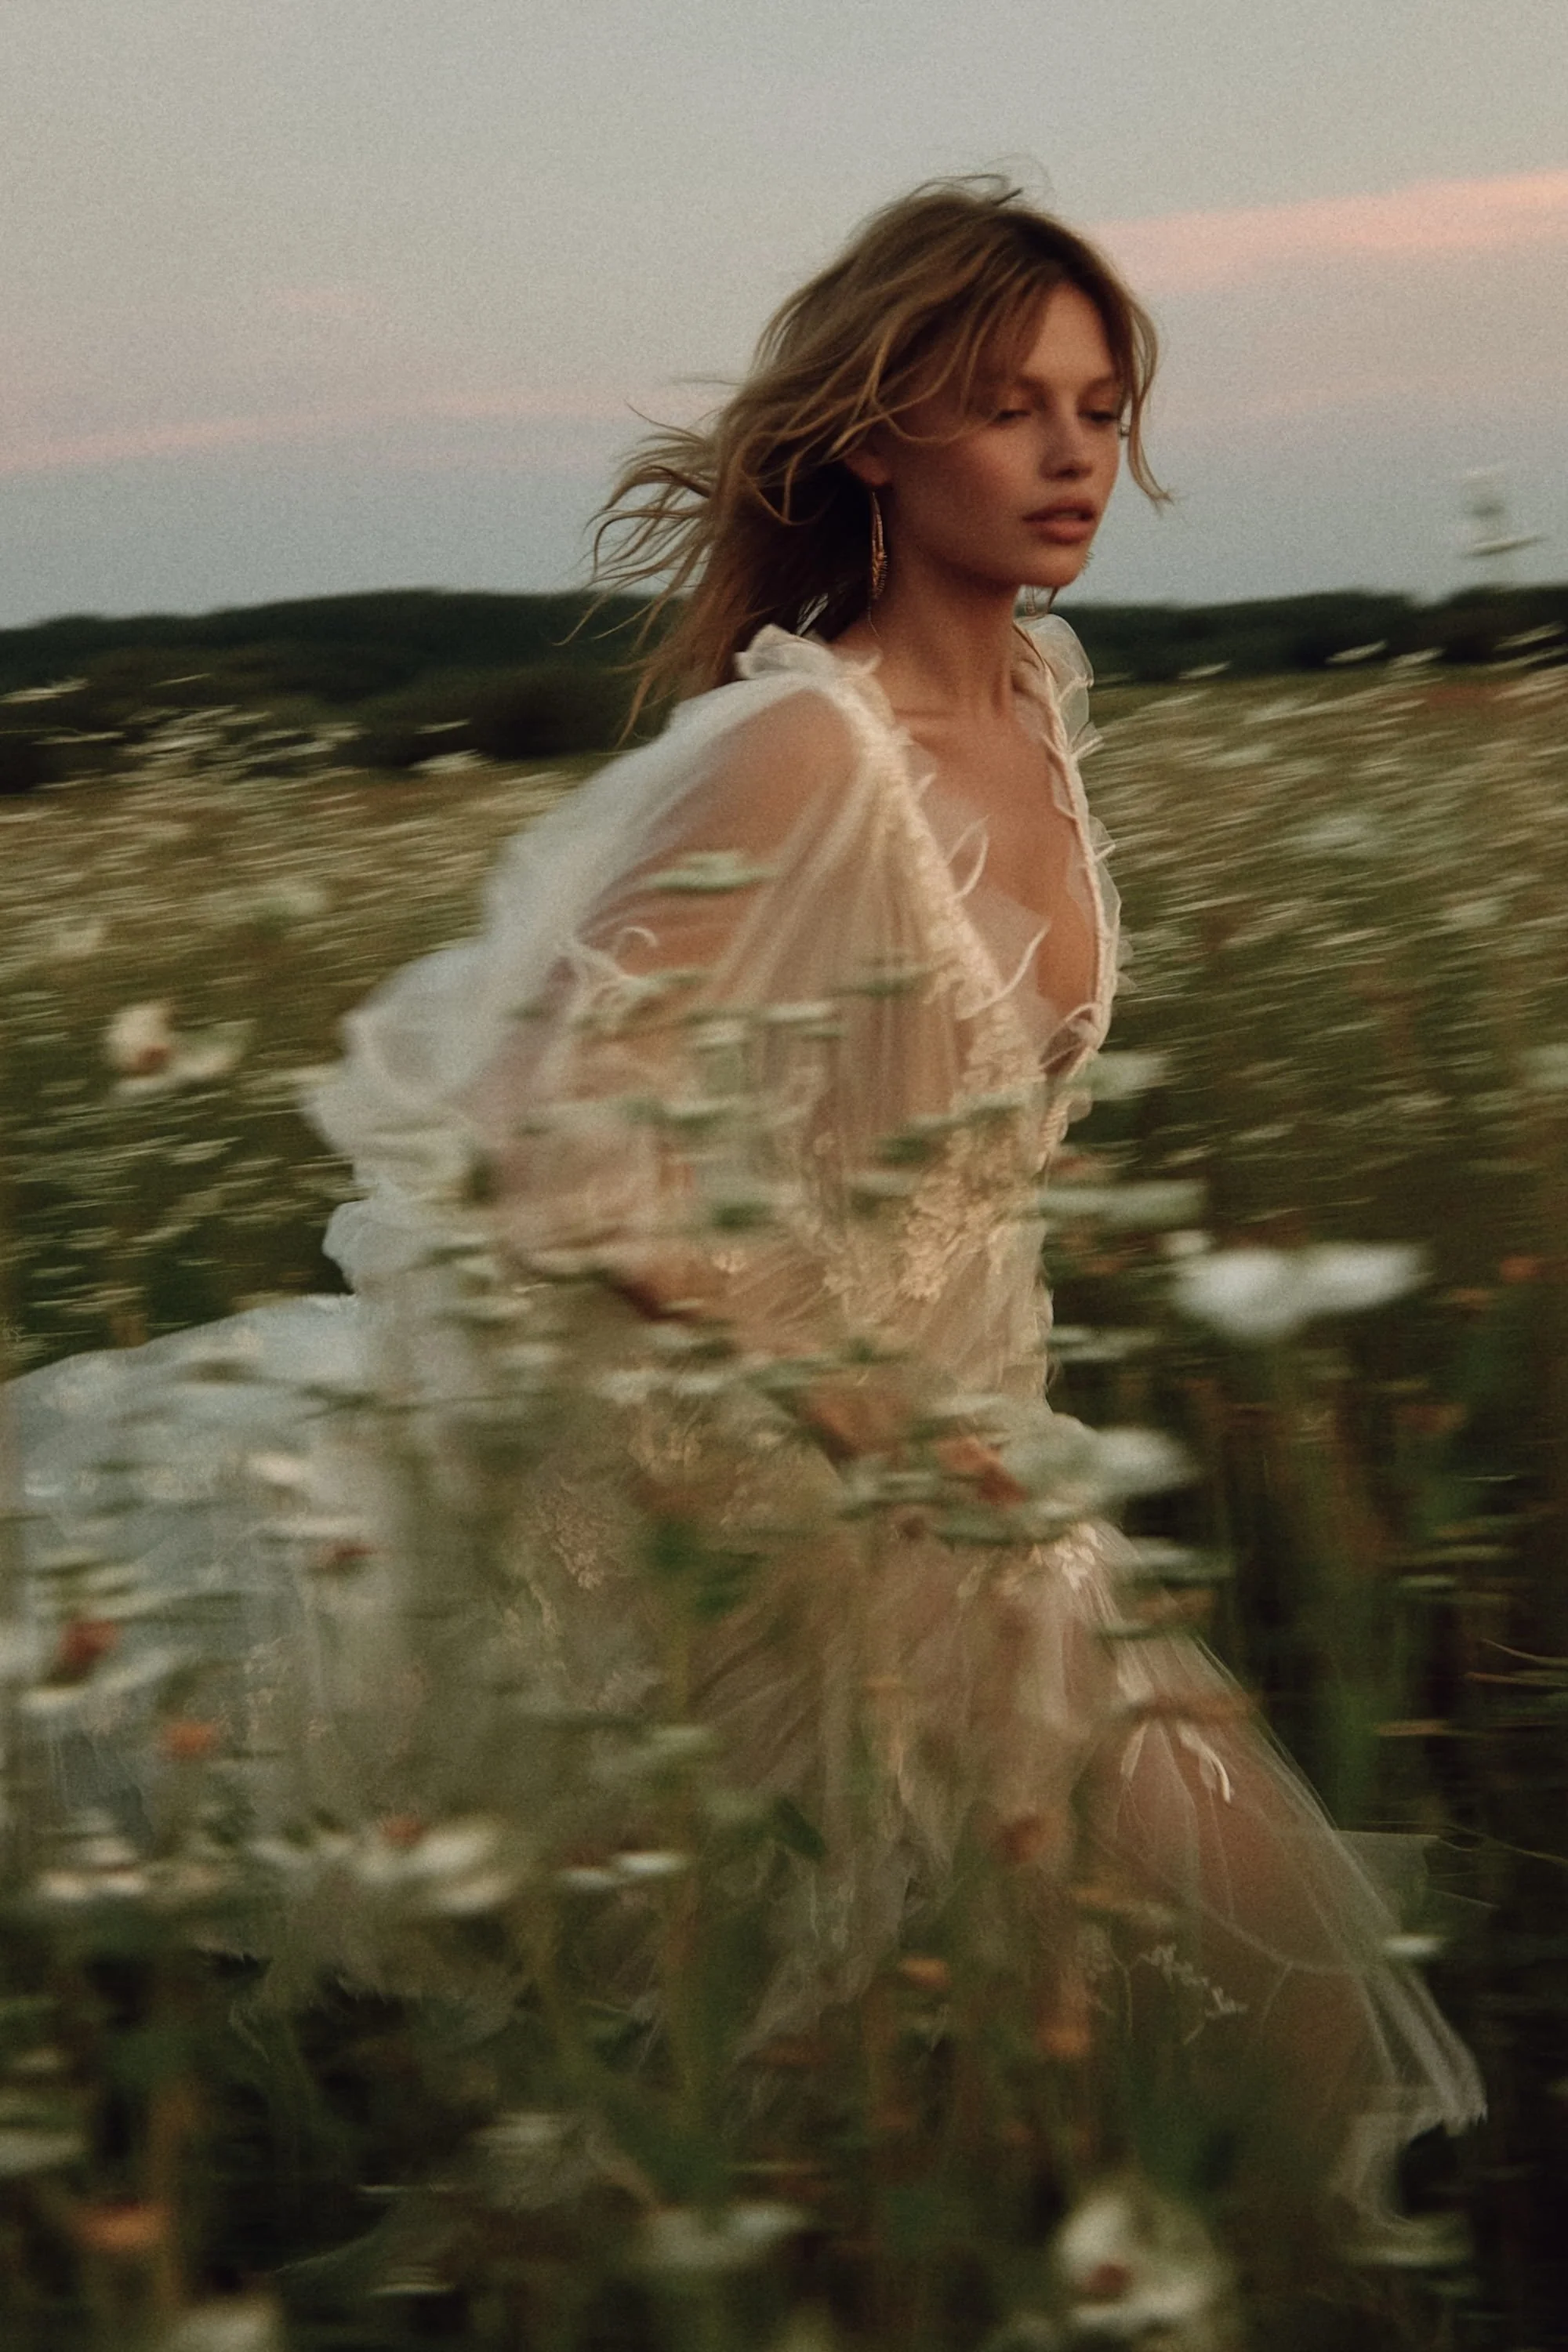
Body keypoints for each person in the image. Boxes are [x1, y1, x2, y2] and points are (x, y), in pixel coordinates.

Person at [12, 179, 1479, 2257]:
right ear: (874, 435)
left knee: (1154, 2055)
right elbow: (527, 1142)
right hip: (779, 1499)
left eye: (1100, 402)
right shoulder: (801, 749)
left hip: (987, 1486)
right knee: (997, 2069)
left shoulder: (1046, 700)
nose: (1073, 455)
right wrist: (860, 1420)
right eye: (1007, 407)